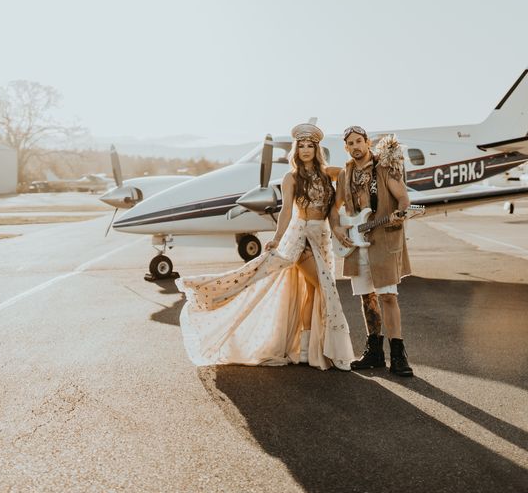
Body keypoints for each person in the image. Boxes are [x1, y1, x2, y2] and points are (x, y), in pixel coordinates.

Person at [175, 123, 354, 370]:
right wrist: (278, 238)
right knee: (326, 287)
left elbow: (347, 174)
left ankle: (305, 351)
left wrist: (340, 211)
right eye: (300, 146)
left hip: (322, 237)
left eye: (309, 146)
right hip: (301, 239)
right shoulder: (291, 177)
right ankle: (329, 350)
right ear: (296, 149)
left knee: (312, 292)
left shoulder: (327, 174)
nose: (304, 150)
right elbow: (286, 210)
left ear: (316, 149)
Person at [331, 125, 414, 376]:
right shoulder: (345, 175)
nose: (356, 147)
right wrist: (337, 228)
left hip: (384, 240)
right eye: (351, 143)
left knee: (388, 296)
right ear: (346, 148)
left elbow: (403, 200)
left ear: (367, 142)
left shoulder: (384, 167)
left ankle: (398, 355)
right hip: (358, 243)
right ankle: (374, 352)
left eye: (359, 141)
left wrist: (400, 215)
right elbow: (335, 208)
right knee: (367, 297)